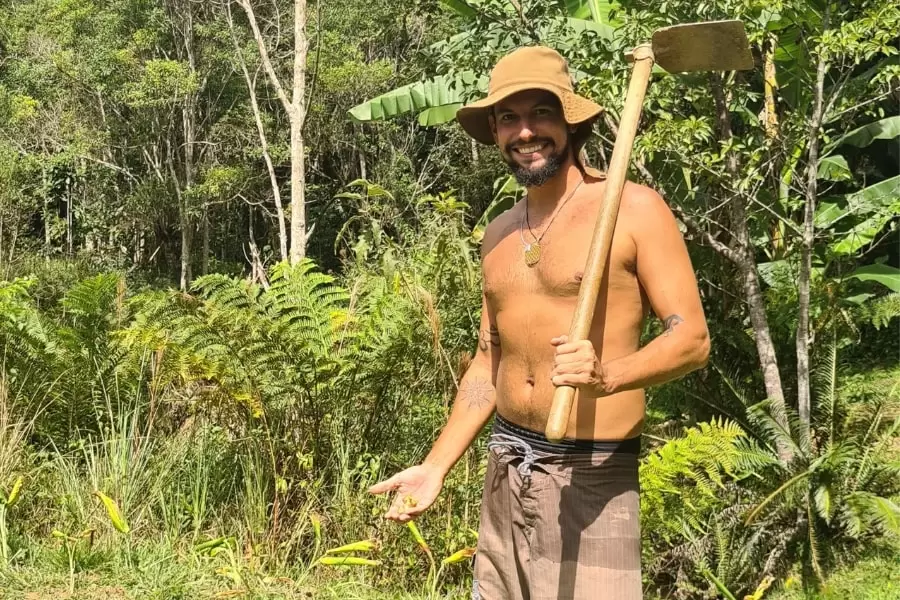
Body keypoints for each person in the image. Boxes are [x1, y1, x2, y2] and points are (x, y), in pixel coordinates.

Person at [369, 45, 710, 600]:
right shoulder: (499, 233)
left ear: (569, 120)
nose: (525, 132)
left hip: (590, 476)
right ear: (496, 133)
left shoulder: (633, 209)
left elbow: (692, 341)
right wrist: (435, 467)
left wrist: (609, 376)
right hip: (506, 465)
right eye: (509, 118)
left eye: (540, 113)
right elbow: (487, 362)